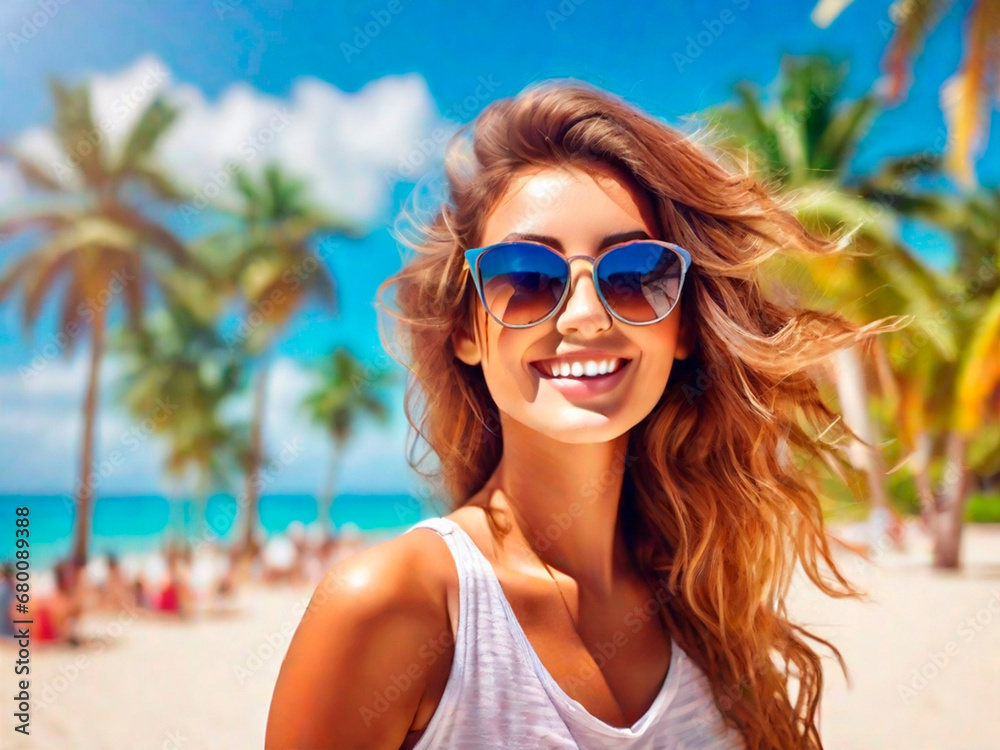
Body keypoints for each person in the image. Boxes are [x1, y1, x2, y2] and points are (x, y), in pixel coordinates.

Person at [266, 81, 903, 749]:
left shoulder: (706, 608)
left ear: (682, 325)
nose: (585, 315)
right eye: (525, 275)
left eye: (635, 274)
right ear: (468, 331)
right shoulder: (395, 607)